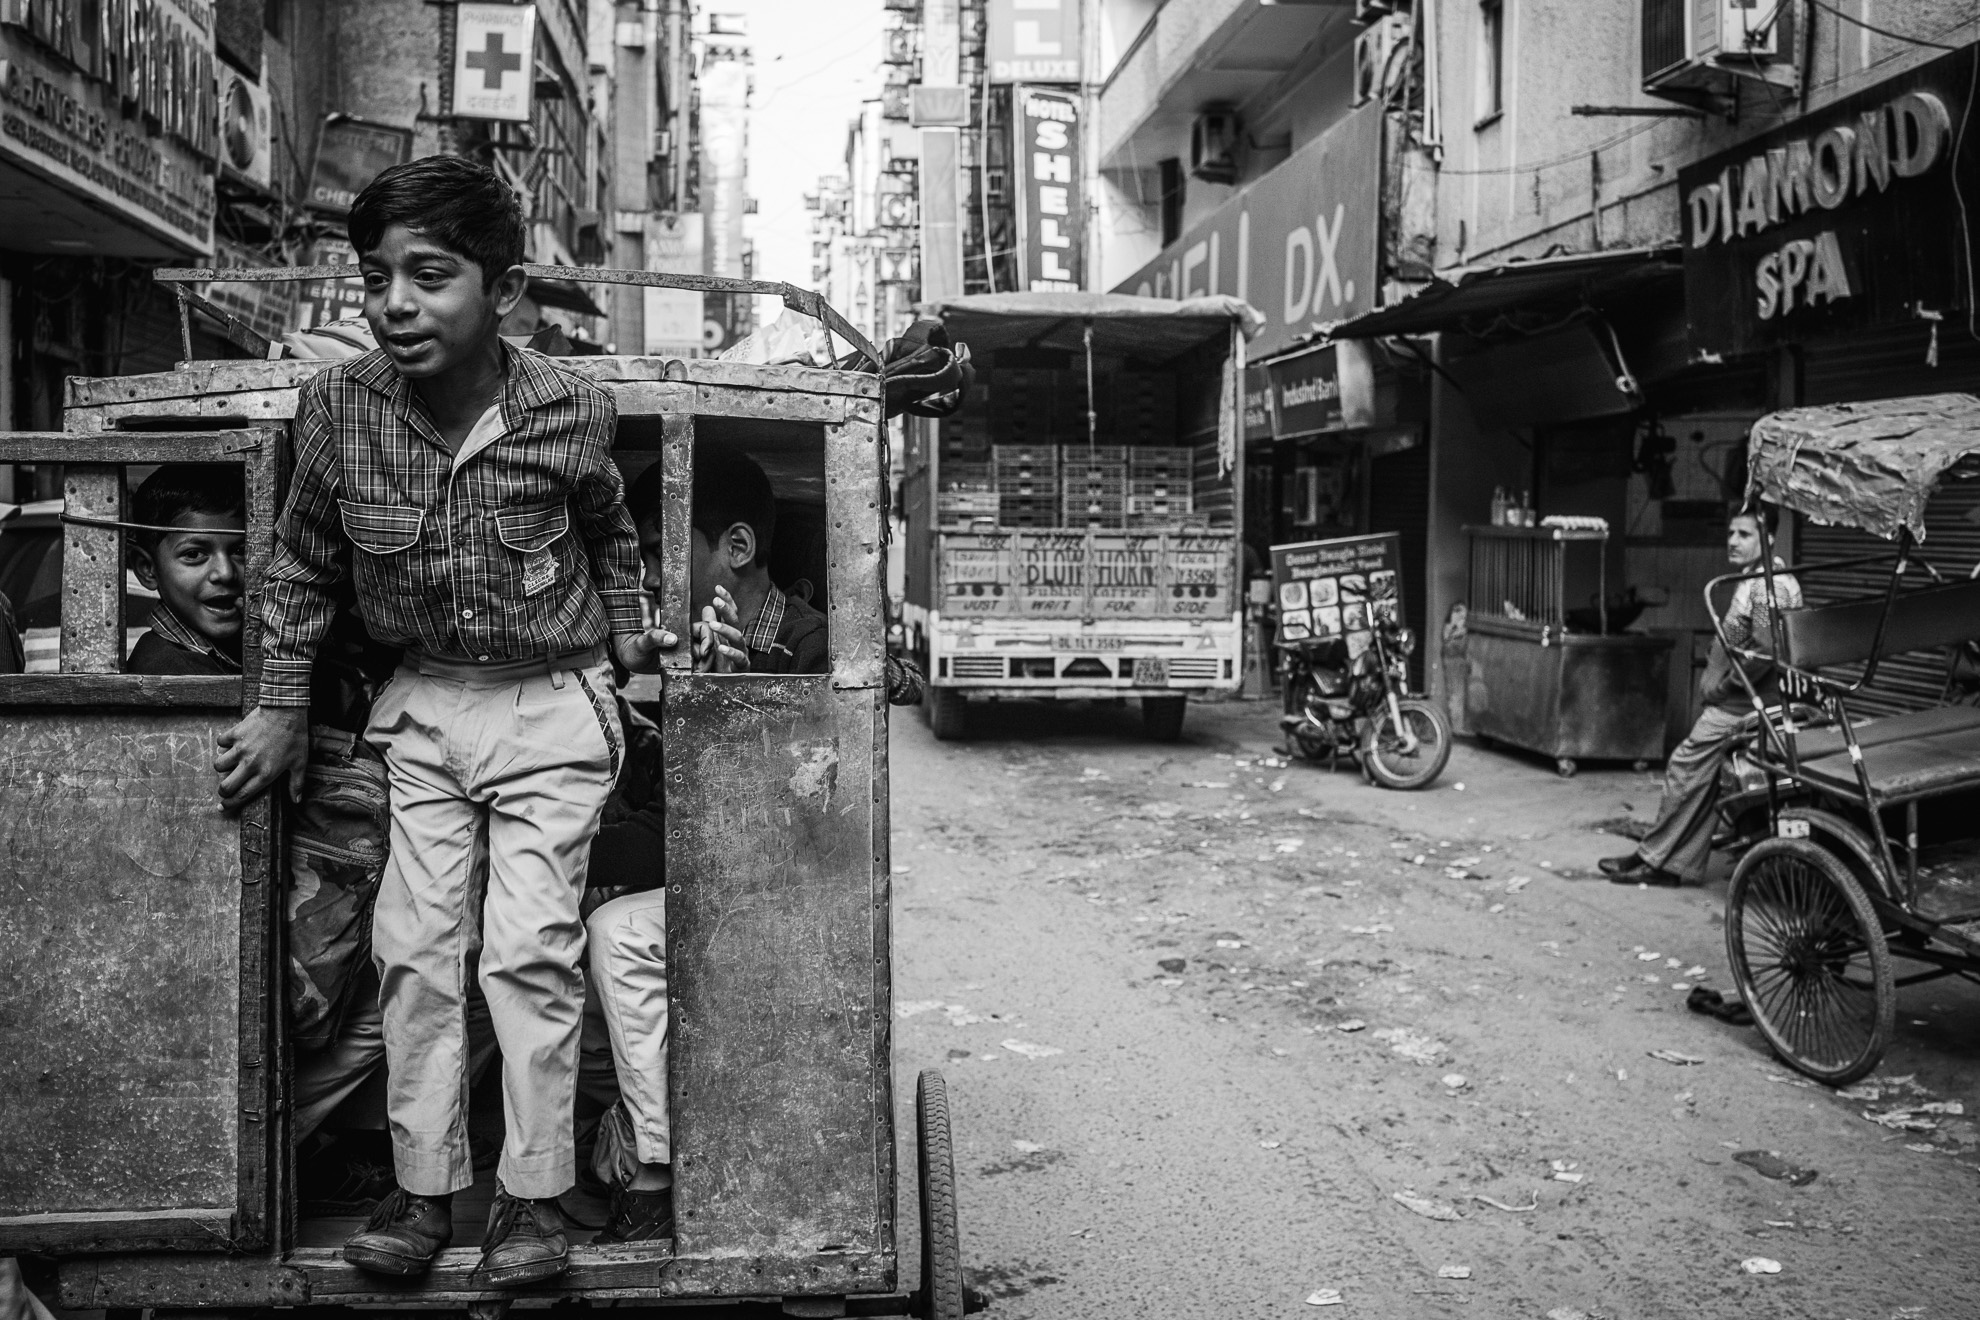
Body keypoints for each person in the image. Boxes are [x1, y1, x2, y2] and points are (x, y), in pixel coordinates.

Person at [211, 155, 679, 1286]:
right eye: (377, 279)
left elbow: (612, 535)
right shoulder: (341, 406)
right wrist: (278, 707)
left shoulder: (570, 409)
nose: (396, 304)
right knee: (415, 956)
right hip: (422, 704)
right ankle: (420, 1194)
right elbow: (301, 571)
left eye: (430, 276)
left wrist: (630, 635)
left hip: (552, 712)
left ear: (503, 290)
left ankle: (528, 1203)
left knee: (529, 955)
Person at [1601, 504, 1801, 887]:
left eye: (1744, 535)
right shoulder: (1758, 577)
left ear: (1769, 538)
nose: (1733, 541)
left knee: (1684, 767)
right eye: (1730, 533)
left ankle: (1654, 858)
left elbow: (1763, 650)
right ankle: (1665, 862)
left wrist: (1725, 687)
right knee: (1701, 778)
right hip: (1740, 702)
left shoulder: (1766, 584)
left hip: (1745, 705)